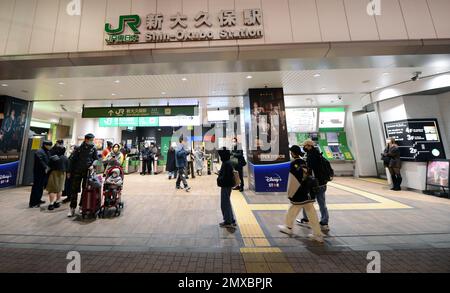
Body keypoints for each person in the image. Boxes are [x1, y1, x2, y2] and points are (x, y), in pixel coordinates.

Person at [278, 145, 324, 243]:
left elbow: (293, 180)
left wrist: (290, 193)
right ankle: (318, 234)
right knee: (312, 213)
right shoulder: (304, 162)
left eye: (291, 152)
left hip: (299, 193)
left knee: (292, 210)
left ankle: (288, 228)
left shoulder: (294, 163)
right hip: (308, 192)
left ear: (293, 153)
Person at [296, 139, 330, 231]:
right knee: (322, 203)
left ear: (309, 146)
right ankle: (324, 222)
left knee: (307, 202)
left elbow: (309, 171)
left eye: (305, 146)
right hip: (322, 183)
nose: (304, 147)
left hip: (315, 184)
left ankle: (306, 219)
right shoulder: (318, 154)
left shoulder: (311, 156)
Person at [67, 133, 99, 217]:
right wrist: (69, 172)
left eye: (93, 140)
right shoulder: (78, 148)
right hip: (77, 172)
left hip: (87, 173)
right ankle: (72, 208)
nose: (92, 142)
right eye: (91, 140)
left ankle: (82, 206)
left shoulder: (93, 148)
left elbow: (96, 159)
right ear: (86, 140)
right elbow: (72, 160)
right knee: (74, 190)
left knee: (85, 189)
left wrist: (93, 165)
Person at [29, 140, 52, 208]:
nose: (50, 147)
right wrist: (46, 167)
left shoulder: (46, 151)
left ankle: (38, 200)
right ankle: (33, 203)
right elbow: (40, 161)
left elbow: (48, 159)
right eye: (49, 145)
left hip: (44, 173)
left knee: (40, 187)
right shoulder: (39, 151)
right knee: (36, 187)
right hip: (38, 172)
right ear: (45, 145)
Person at [217, 149, 236, 228]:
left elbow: (225, 177)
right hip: (228, 185)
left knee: (225, 203)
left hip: (225, 186)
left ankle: (228, 221)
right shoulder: (228, 162)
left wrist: (219, 178)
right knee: (227, 203)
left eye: (221, 156)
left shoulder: (226, 164)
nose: (220, 157)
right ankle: (231, 219)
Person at [46, 144, 69, 210]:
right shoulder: (65, 158)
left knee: (52, 190)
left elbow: (48, 167)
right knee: (60, 189)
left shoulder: (53, 157)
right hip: (62, 174)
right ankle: (57, 202)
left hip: (53, 174)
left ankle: (51, 204)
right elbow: (68, 167)